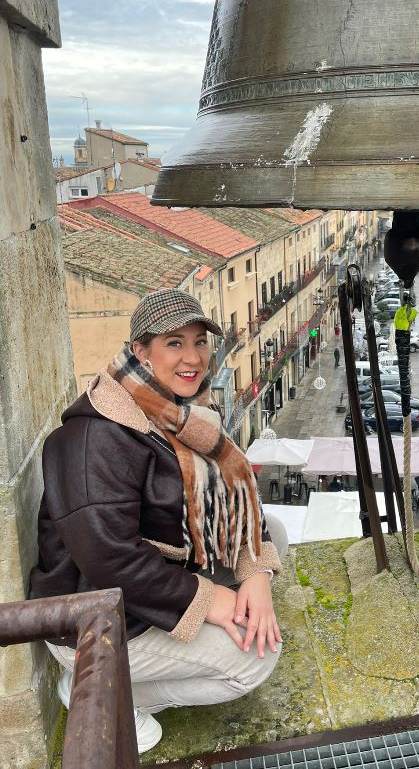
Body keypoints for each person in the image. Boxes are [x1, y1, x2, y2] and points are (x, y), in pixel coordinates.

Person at [30, 290, 287, 753]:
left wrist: (255, 576)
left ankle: (210, 618)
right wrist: (210, 600)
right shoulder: (95, 438)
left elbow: (237, 496)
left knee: (276, 540)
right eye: (173, 343)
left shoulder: (181, 415)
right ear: (140, 352)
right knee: (253, 662)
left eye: (199, 342)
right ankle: (107, 693)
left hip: (155, 577)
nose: (192, 358)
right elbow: (109, 558)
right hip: (95, 614)